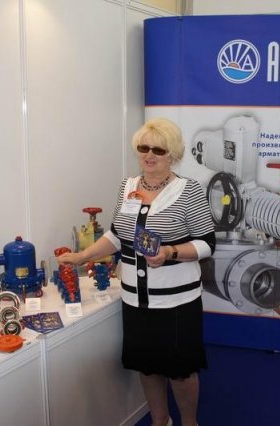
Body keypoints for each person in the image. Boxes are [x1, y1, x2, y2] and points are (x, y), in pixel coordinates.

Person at [57, 117, 215, 426]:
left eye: (158, 149)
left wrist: (169, 252)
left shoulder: (188, 190)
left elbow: (207, 243)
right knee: (147, 367)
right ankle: (160, 421)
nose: (149, 155)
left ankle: (189, 422)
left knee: (181, 373)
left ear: (172, 154)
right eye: (144, 148)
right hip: (135, 300)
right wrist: (83, 256)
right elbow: (117, 235)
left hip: (176, 303)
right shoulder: (127, 186)